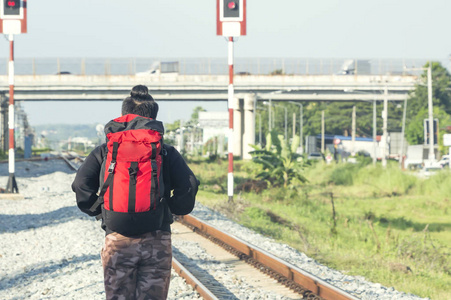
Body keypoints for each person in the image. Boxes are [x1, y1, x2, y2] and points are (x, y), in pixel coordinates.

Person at [72, 85, 199, 300]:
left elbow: (81, 185)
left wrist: (100, 212)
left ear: (124, 114)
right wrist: (171, 209)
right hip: (157, 237)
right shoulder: (166, 152)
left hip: (117, 236)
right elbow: (189, 185)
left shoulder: (105, 150)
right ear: (153, 116)